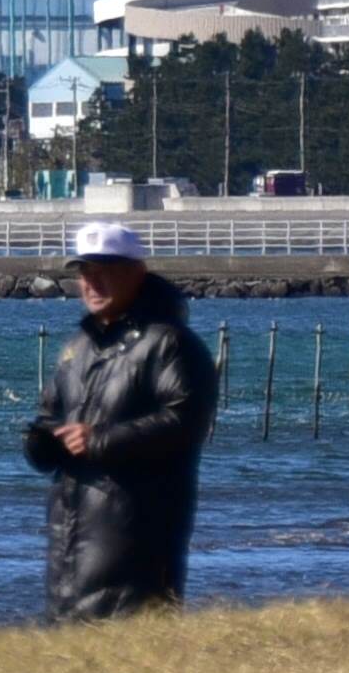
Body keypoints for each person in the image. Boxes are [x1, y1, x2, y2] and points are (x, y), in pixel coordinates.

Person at [30, 217, 221, 622]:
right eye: (85, 273)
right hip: (72, 532)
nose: (92, 283)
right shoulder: (77, 347)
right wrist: (41, 442)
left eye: (106, 272)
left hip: (137, 532)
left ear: (137, 274)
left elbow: (185, 420)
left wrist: (100, 439)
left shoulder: (169, 342)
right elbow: (50, 413)